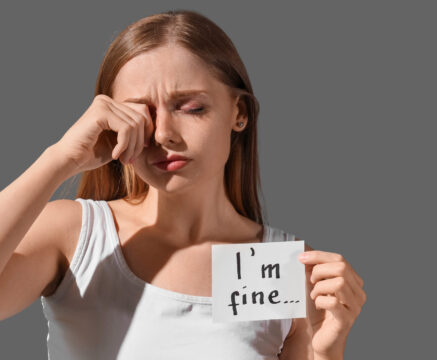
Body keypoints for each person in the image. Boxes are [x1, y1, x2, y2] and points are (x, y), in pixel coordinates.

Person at [0, 9, 366, 360]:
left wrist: (325, 352)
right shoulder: (77, 234)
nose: (163, 134)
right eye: (141, 114)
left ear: (239, 113)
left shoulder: (285, 268)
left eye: (191, 108)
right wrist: (60, 158)